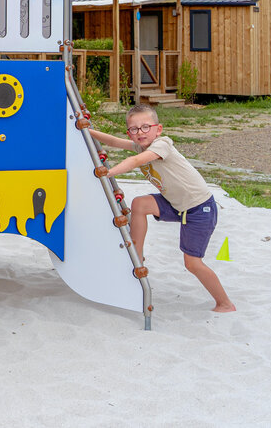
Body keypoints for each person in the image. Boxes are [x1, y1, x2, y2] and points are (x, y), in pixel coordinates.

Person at [89, 105, 236, 313]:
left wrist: (107, 173)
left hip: (199, 208)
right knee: (140, 203)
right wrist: (84, 131)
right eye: (134, 129)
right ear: (129, 132)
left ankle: (225, 303)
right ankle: (137, 254)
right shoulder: (140, 145)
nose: (140, 132)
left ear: (158, 129)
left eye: (145, 127)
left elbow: (136, 161)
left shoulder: (162, 144)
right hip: (176, 204)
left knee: (193, 264)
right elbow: (112, 141)